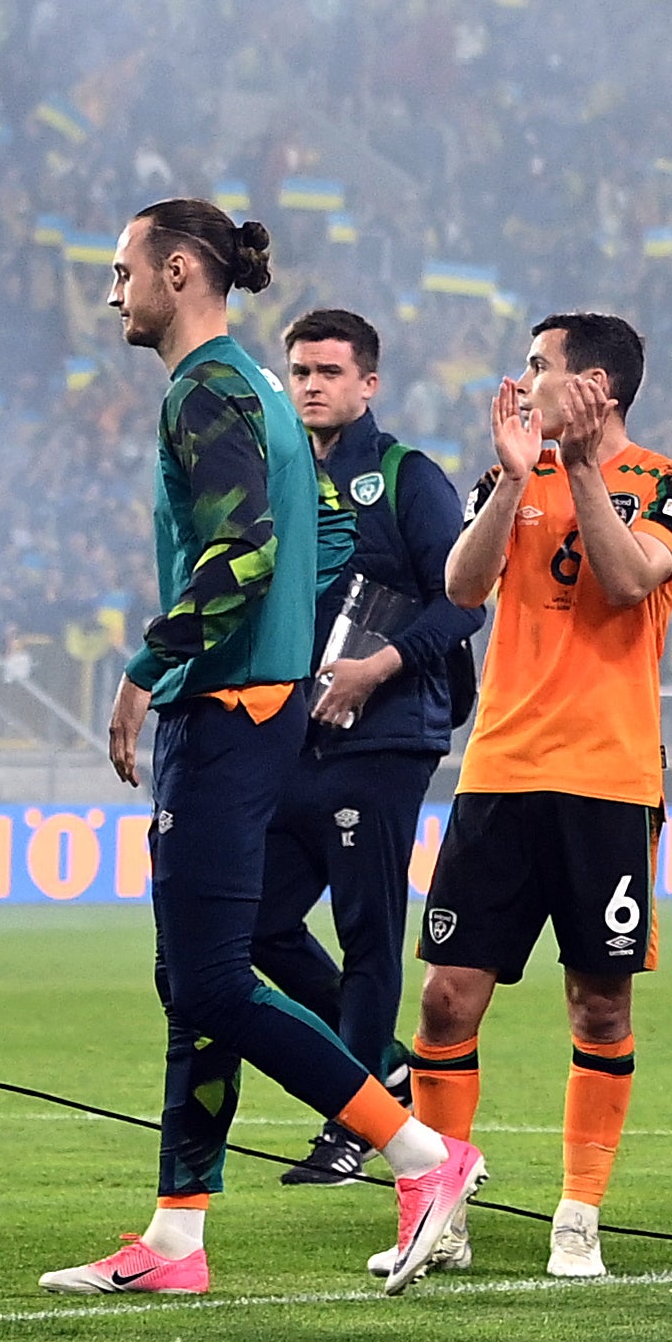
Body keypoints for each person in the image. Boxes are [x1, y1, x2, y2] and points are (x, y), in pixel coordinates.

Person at [50, 200, 474, 1298]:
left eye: (122, 270)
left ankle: (422, 1155)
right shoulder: (262, 395)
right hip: (256, 707)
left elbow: (240, 552)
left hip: (226, 708)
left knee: (214, 981)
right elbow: (295, 541)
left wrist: (147, 668)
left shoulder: (209, 391)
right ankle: (177, 1239)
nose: (113, 292)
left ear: (178, 271)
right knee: (193, 983)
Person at [396, 312, 672, 1281]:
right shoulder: (511, 477)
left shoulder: (670, 484)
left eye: (540, 366)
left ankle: (578, 1219)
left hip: (608, 781)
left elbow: (623, 580)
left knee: (598, 1005)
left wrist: (582, 471)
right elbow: (462, 588)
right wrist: (520, 478)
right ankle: (438, 1215)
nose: (522, 382)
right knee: (446, 999)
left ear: (594, 386)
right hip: (500, 774)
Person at [261, 305, 477, 1188]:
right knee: (257, 923)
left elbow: (465, 601)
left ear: (368, 384)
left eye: (329, 373)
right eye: (302, 373)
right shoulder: (278, 480)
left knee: (366, 932)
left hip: (385, 740)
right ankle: (383, 1075)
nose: (312, 386)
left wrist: (374, 667)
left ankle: (351, 1130)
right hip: (292, 738)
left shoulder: (405, 476)